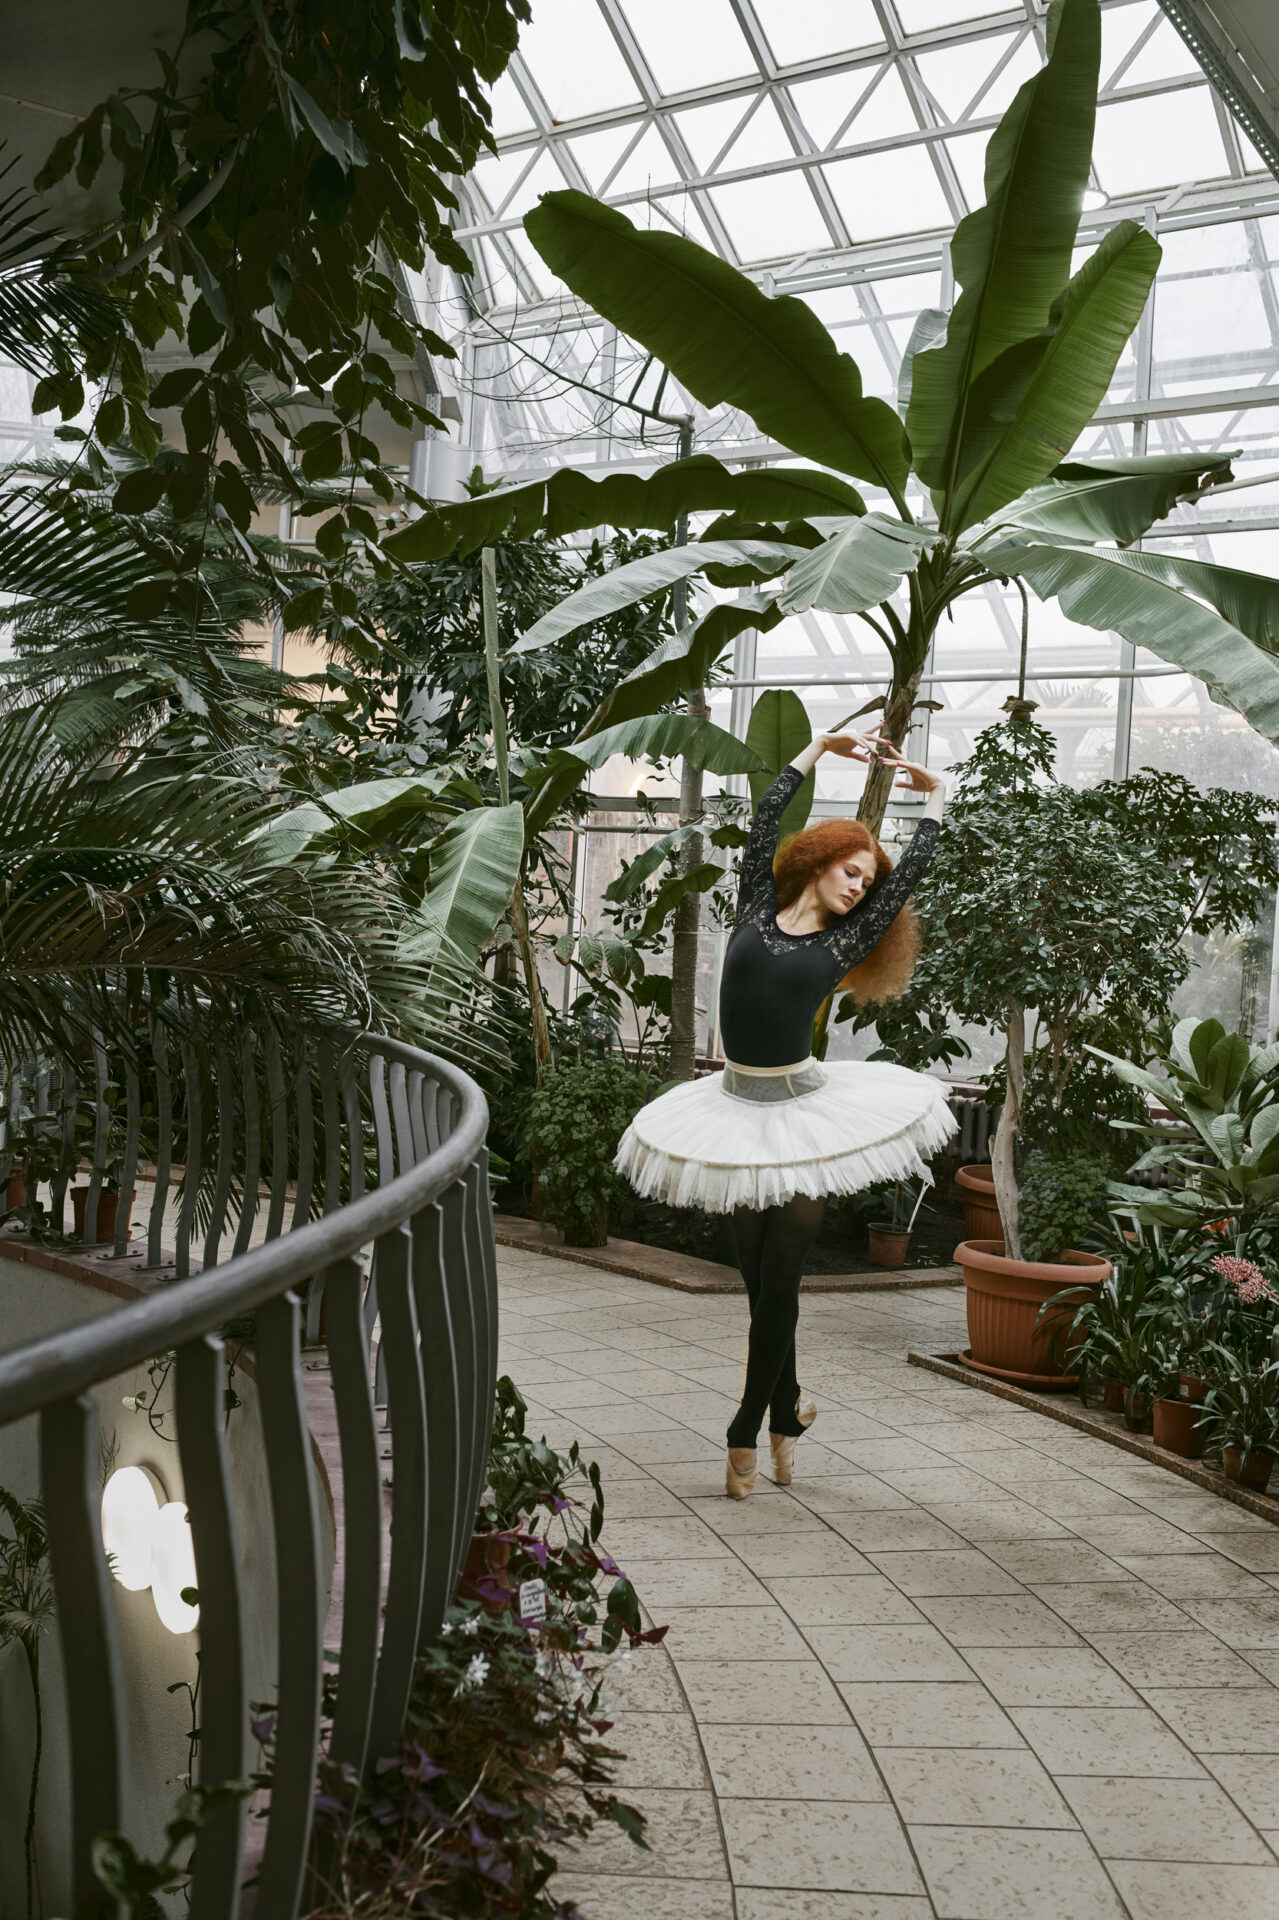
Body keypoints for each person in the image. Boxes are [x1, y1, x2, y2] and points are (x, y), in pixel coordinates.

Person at [615, 726, 956, 1498]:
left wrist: (936, 799)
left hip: (801, 1119)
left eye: (867, 883)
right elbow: (766, 814)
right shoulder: (753, 907)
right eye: (851, 871)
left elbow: (911, 878)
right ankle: (788, 1413)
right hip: (731, 1109)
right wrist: (812, 750)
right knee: (758, 1283)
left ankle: (744, 1430)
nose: (859, 888)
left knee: (781, 1277)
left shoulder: (846, 942)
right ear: (821, 858)